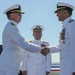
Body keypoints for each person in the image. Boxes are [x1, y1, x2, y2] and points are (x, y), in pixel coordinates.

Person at [0, 4, 50, 75]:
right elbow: (24, 45)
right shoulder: (11, 27)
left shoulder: (12, 27)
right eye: (19, 14)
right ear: (12, 15)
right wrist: (40, 49)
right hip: (8, 67)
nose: (21, 16)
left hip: (11, 66)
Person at [49, 2, 75, 75]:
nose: (57, 14)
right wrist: (49, 49)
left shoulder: (72, 25)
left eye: (58, 12)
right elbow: (62, 46)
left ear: (65, 12)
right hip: (65, 68)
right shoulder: (65, 26)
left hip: (71, 69)